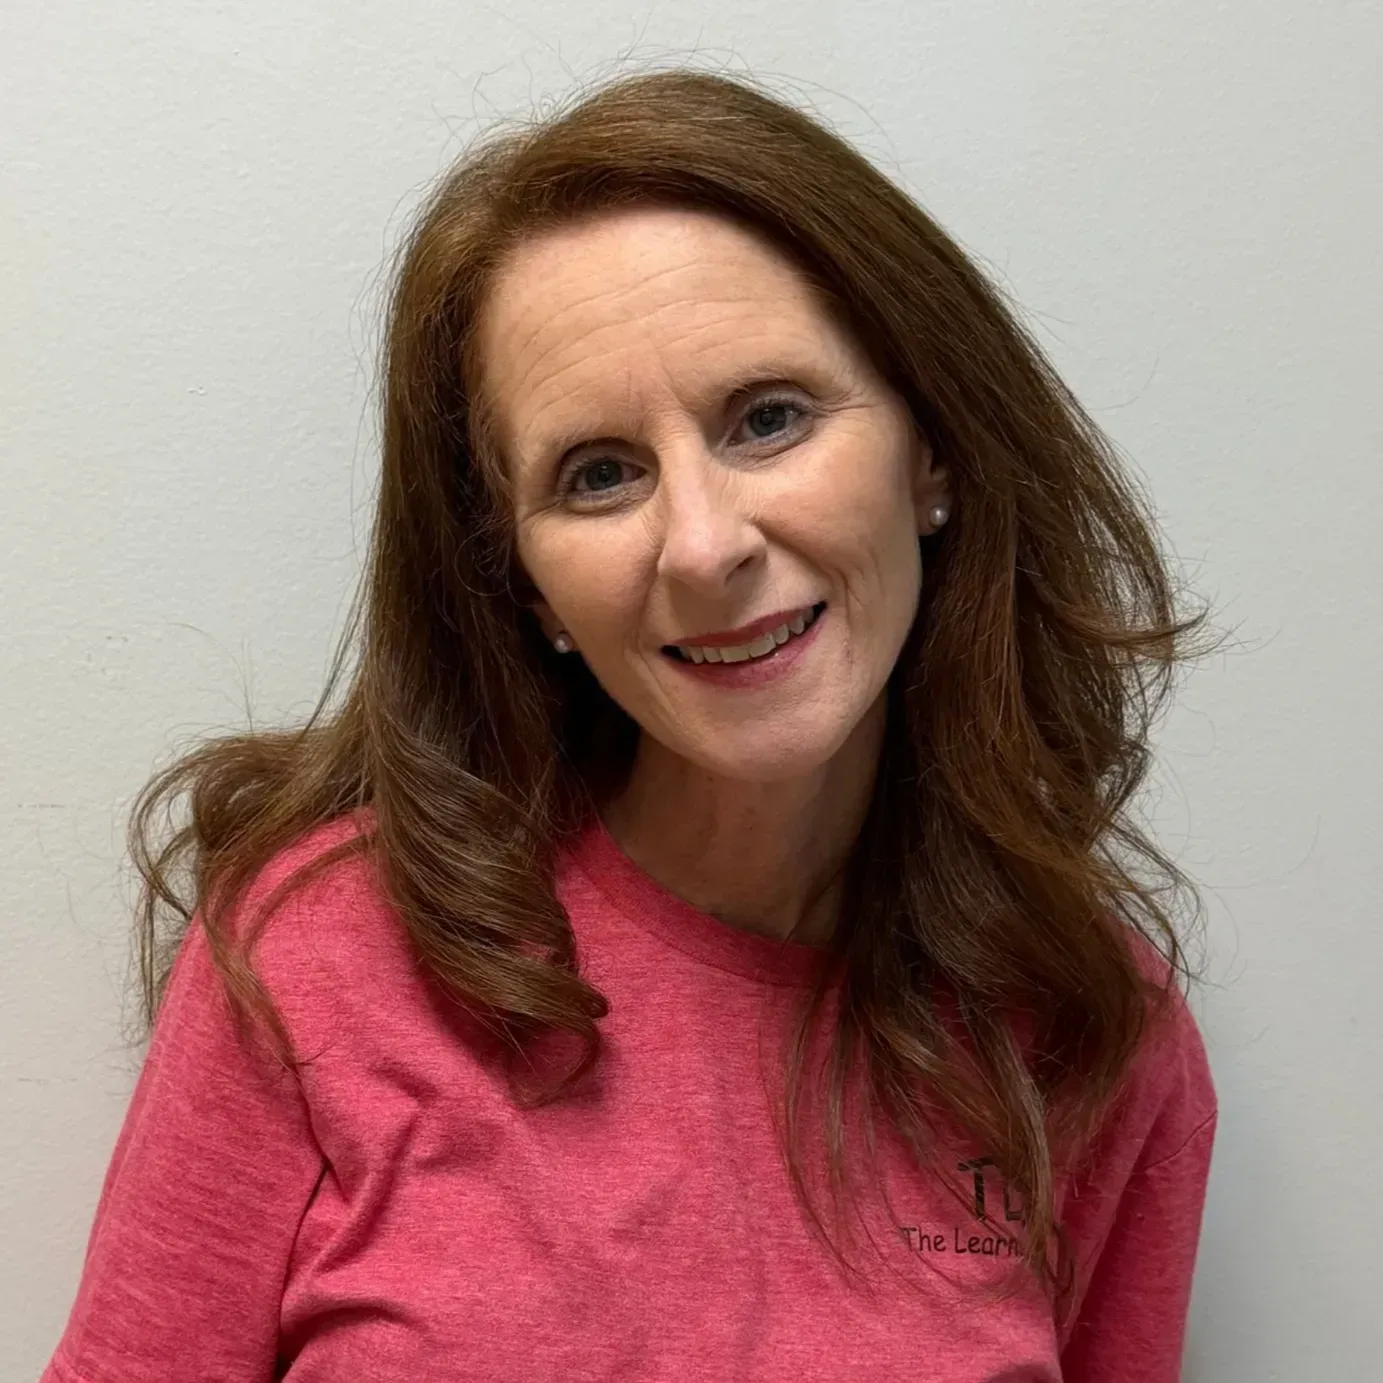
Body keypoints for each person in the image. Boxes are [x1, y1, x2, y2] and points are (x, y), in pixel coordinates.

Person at [40, 68, 1220, 1383]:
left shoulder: (1092, 1026)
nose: (705, 545)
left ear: (931, 453)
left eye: (766, 418)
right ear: (526, 581)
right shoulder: (317, 955)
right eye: (597, 473)